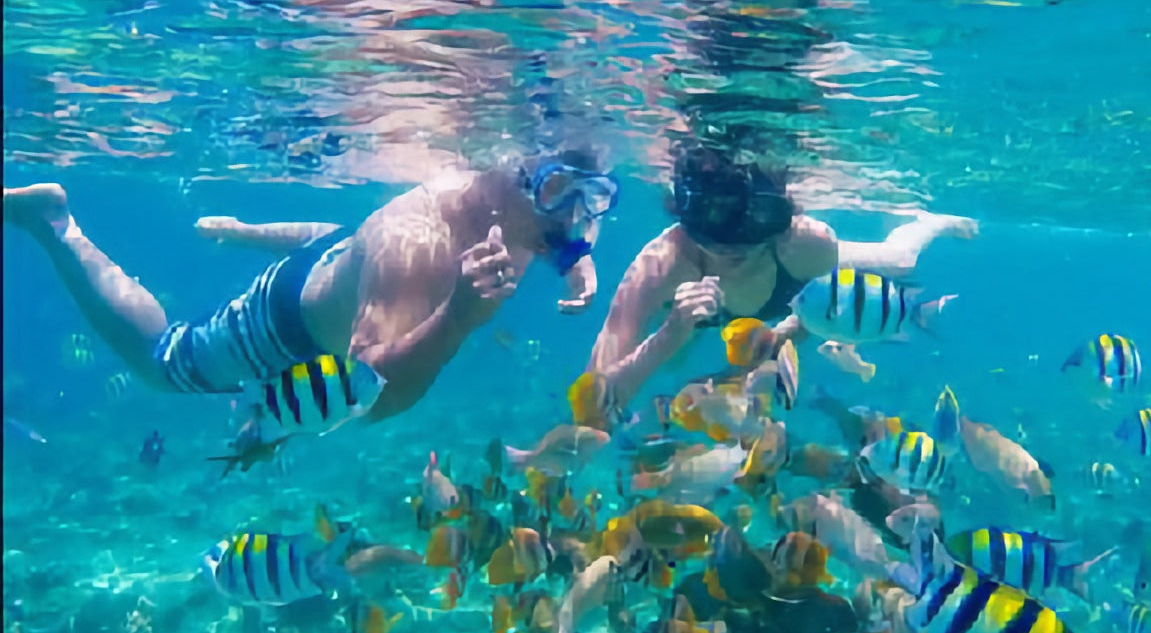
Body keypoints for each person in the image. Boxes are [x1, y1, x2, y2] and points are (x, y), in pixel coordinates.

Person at [3, 148, 617, 421]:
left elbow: (349, 239)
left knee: (347, 246)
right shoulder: (418, 250)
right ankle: (56, 225)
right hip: (284, 327)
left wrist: (575, 260)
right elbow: (368, 393)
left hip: (336, 255)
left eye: (593, 203)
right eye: (563, 198)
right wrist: (457, 317)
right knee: (162, 362)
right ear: (516, 176)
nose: (574, 221)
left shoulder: (499, 201)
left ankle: (239, 230)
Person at [586, 139, 976, 410]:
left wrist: (774, 341)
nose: (732, 247)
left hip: (790, 278)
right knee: (674, 361)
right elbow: (596, 392)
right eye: (714, 236)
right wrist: (671, 332)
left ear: (774, 218)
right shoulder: (663, 264)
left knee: (902, 258)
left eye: (749, 229)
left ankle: (933, 222)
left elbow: (826, 315)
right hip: (690, 315)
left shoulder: (807, 243)